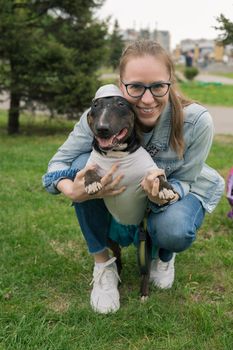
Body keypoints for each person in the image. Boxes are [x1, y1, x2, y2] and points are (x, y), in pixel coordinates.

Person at [43, 40, 225, 314]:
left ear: (170, 82)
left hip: (181, 187)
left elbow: (187, 179)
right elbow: (58, 164)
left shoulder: (196, 121)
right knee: (85, 165)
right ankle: (103, 263)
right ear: (121, 84)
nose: (148, 99)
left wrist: (164, 194)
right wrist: (72, 190)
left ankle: (164, 254)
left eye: (158, 86)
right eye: (136, 87)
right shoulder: (99, 115)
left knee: (173, 228)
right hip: (128, 187)